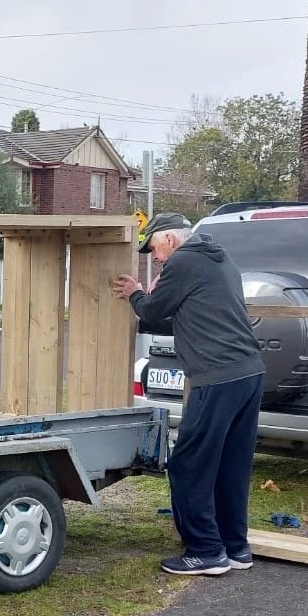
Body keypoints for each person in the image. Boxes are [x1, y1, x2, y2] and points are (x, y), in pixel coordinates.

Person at [111, 212, 265, 576]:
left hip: (218, 378)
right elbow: (172, 316)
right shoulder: (219, 258)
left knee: (188, 463)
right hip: (249, 373)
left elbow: (151, 310)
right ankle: (235, 547)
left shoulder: (183, 261)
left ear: (170, 240)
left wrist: (135, 291)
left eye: (154, 249)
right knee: (231, 463)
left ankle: (206, 551)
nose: (156, 258)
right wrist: (151, 299)